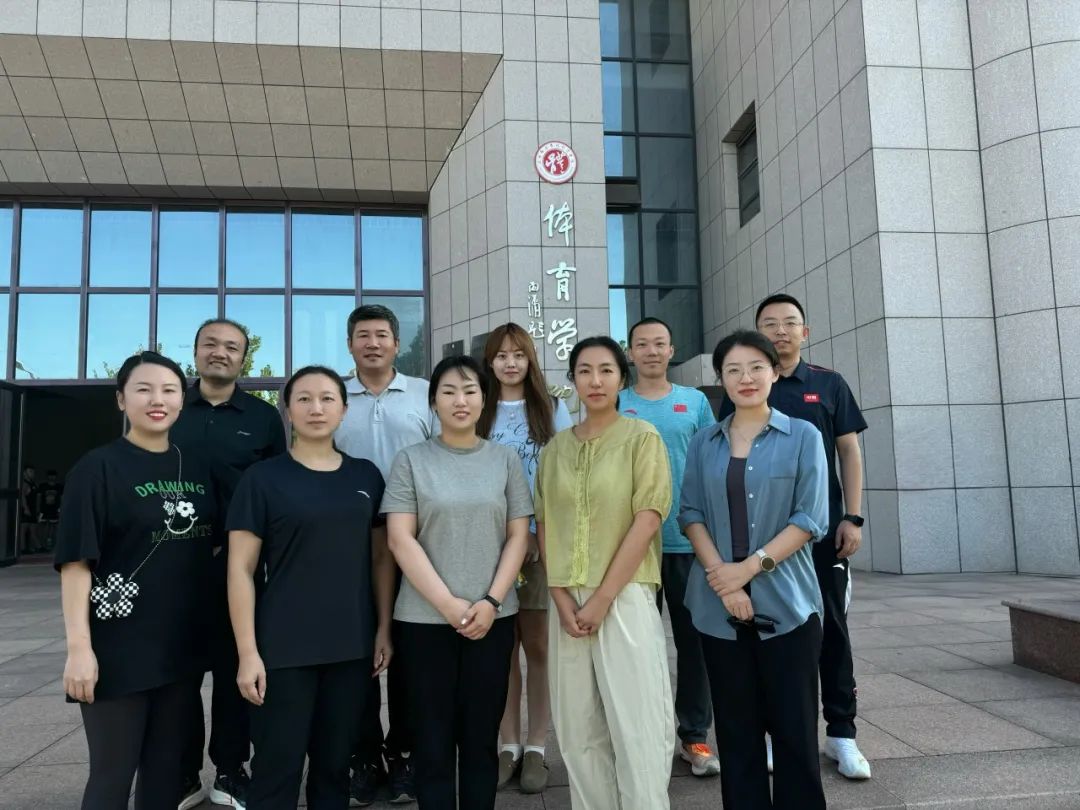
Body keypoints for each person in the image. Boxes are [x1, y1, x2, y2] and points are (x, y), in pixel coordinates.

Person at [56, 352, 224, 809]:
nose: (157, 400)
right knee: (112, 776)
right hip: (118, 646)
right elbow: (76, 563)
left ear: (181, 400)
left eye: (169, 390)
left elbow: (211, 546)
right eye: (143, 389)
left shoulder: (197, 467)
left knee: (165, 776)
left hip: (181, 648)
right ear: (121, 399)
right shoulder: (97, 469)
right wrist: (79, 649)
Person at [226, 365, 395, 809]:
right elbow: (240, 569)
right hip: (282, 650)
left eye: (326, 399)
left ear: (343, 410)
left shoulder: (366, 476)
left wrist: (383, 629)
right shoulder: (262, 479)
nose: (316, 408)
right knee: (275, 770)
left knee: (334, 770)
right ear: (287, 411)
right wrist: (247, 652)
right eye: (303, 399)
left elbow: (381, 558)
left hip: (351, 647)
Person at [718, 293, 871, 780]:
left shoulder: (828, 384)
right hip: (757, 539)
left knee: (830, 629)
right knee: (765, 633)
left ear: (805, 332)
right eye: (770, 323)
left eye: (789, 323)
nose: (780, 331)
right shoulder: (747, 386)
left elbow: (849, 451)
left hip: (820, 534)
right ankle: (769, 733)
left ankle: (842, 732)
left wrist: (853, 516)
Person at [681, 329, 829, 810]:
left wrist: (746, 570)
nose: (746, 378)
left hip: (788, 603)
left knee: (795, 732)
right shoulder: (704, 442)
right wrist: (724, 581)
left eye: (756, 367)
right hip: (717, 609)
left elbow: (810, 519)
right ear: (721, 378)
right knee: (736, 734)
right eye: (733, 370)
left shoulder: (803, 436)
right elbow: (691, 514)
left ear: (775, 372)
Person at [383, 355, 532, 809]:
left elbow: (518, 535)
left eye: (470, 391)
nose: (460, 400)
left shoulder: (504, 460)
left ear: (484, 400)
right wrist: (448, 604)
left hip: (493, 619)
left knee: (481, 738)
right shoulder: (411, 460)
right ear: (433, 402)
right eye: (448, 391)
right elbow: (400, 538)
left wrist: (491, 600)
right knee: (431, 741)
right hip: (423, 621)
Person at [535, 336, 675, 810]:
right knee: (578, 728)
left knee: (638, 722)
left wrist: (601, 599)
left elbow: (648, 518)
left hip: (624, 594)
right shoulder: (555, 450)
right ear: (572, 380)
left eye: (606, 370)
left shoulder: (642, 438)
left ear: (621, 378)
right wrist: (560, 597)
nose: (595, 381)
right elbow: (545, 524)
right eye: (584, 371)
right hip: (565, 600)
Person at [174, 318, 289, 810]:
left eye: (231, 347)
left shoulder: (262, 418)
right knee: (176, 674)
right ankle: (180, 772)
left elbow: (277, 489)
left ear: (244, 358)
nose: (220, 353)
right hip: (171, 565)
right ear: (196, 351)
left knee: (234, 667)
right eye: (211, 344)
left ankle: (229, 768)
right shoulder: (170, 407)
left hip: (237, 567)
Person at [335, 304, 437, 806]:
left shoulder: (423, 393)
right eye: (363, 335)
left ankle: (404, 752)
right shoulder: (333, 395)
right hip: (348, 543)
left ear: (397, 343)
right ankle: (363, 754)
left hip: (417, 541)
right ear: (350, 344)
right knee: (357, 652)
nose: (372, 343)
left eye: (381, 335)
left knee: (411, 652)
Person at [620, 317, 720, 778]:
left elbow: (712, 462)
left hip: (687, 542)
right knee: (636, 647)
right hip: (632, 547)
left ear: (672, 349)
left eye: (659, 343)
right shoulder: (618, 403)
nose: (652, 351)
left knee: (693, 644)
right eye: (642, 344)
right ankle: (640, 737)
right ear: (631, 352)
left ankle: (694, 736)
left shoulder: (694, 401)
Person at [476, 323, 572, 793]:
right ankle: (508, 743)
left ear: (530, 359)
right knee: (502, 648)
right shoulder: (478, 405)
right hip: (486, 546)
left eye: (518, 354)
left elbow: (564, 475)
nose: (510, 363)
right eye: (501, 355)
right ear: (489, 362)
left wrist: (534, 532)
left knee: (537, 646)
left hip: (538, 546)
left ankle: (537, 746)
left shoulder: (551, 407)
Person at [36, 469, 64, 553]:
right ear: (47, 476)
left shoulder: (59, 487)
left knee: (54, 528)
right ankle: (43, 545)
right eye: (50, 475)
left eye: (53, 475)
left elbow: (62, 498)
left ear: (56, 477)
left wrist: (61, 509)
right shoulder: (43, 486)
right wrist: (38, 509)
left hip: (54, 510)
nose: (52, 477)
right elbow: (38, 498)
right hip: (44, 510)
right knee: (43, 527)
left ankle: (53, 546)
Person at [20, 465, 38, 554]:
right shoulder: (25, 484)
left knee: (32, 530)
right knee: (23, 530)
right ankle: (23, 549)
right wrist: (25, 508)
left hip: (33, 509)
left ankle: (38, 547)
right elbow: (22, 497)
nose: (32, 473)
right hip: (27, 510)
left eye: (33, 472)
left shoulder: (33, 484)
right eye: (30, 471)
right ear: (24, 473)